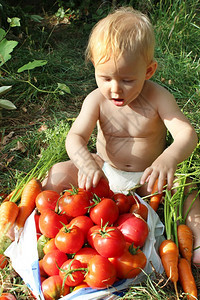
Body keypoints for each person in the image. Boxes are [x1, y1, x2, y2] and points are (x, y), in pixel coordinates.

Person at [43, 7, 200, 265]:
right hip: (103, 174)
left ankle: (198, 238)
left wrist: (169, 157)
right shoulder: (95, 100)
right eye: (105, 78)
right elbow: (75, 137)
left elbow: (186, 133)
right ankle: (45, 222)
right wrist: (84, 160)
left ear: (148, 71)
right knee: (57, 173)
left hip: (148, 179)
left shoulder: (159, 98)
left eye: (127, 80)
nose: (115, 89)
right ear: (94, 67)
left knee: (185, 188)